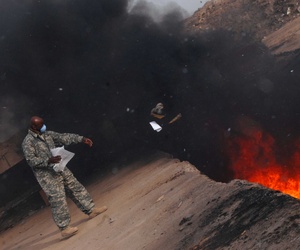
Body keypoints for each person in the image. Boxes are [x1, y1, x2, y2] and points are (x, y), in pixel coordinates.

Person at [22, 116, 107, 239]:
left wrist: (81, 139)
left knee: (76, 187)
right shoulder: (28, 142)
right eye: (41, 125)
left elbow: (63, 137)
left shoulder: (47, 134)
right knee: (58, 200)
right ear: (34, 127)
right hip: (47, 176)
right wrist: (48, 160)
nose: (44, 126)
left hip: (60, 168)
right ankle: (64, 228)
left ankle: (91, 210)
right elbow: (31, 161)